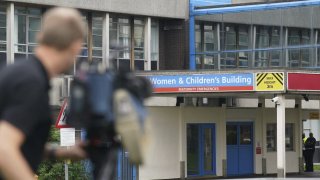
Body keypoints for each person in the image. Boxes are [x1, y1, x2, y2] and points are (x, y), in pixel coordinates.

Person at [0, 7, 87, 180]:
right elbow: (4, 147)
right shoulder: (32, 83)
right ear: (75, 46)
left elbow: (20, 143)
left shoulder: (19, 71)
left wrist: (57, 152)